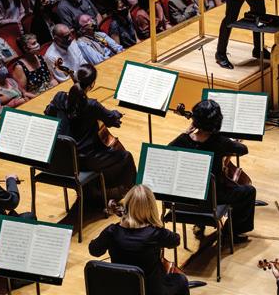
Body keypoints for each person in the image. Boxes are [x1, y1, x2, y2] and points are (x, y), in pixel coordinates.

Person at [45, 64, 136, 199]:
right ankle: (124, 194)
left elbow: (48, 113)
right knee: (125, 157)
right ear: (92, 84)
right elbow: (112, 121)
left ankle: (93, 190)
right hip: (85, 160)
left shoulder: (59, 97)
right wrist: (116, 114)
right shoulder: (92, 105)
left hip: (62, 159)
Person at [169, 100, 255, 243]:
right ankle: (231, 233)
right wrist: (231, 141)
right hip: (213, 199)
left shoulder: (182, 140)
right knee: (248, 191)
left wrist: (185, 133)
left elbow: (167, 151)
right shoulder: (220, 142)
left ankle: (199, 223)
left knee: (198, 182)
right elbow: (243, 150)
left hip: (185, 200)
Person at [89, 184, 189, 295]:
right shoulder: (155, 233)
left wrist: (101, 237)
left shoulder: (112, 231)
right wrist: (157, 226)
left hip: (121, 290)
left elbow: (94, 250)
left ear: (127, 206)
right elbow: (176, 240)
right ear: (151, 208)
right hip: (150, 291)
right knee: (181, 280)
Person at [13, 33, 57, 97]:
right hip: (36, 97)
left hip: (51, 91)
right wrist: (42, 97)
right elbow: (24, 93)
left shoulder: (42, 58)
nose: (38, 45)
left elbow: (52, 79)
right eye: (34, 43)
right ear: (25, 48)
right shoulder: (19, 67)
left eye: (37, 42)